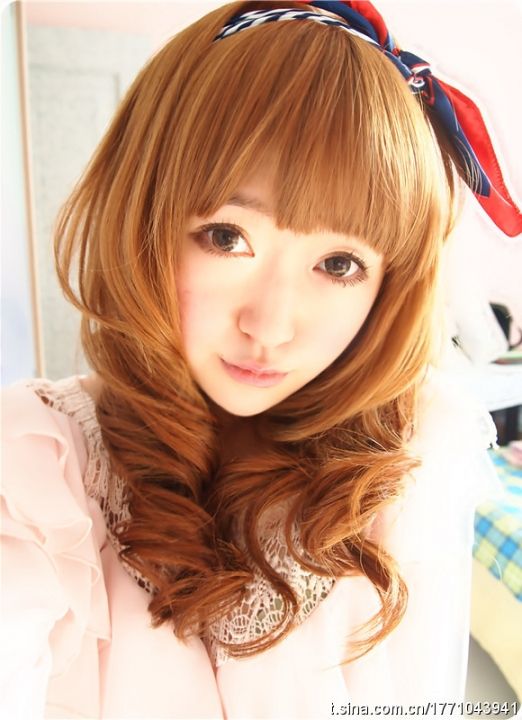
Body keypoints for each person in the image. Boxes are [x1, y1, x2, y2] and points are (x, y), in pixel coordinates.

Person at [1, 2, 520, 718]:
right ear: (144, 216)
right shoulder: (39, 467)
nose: (271, 326)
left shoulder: (413, 460)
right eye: (226, 237)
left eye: (339, 264)